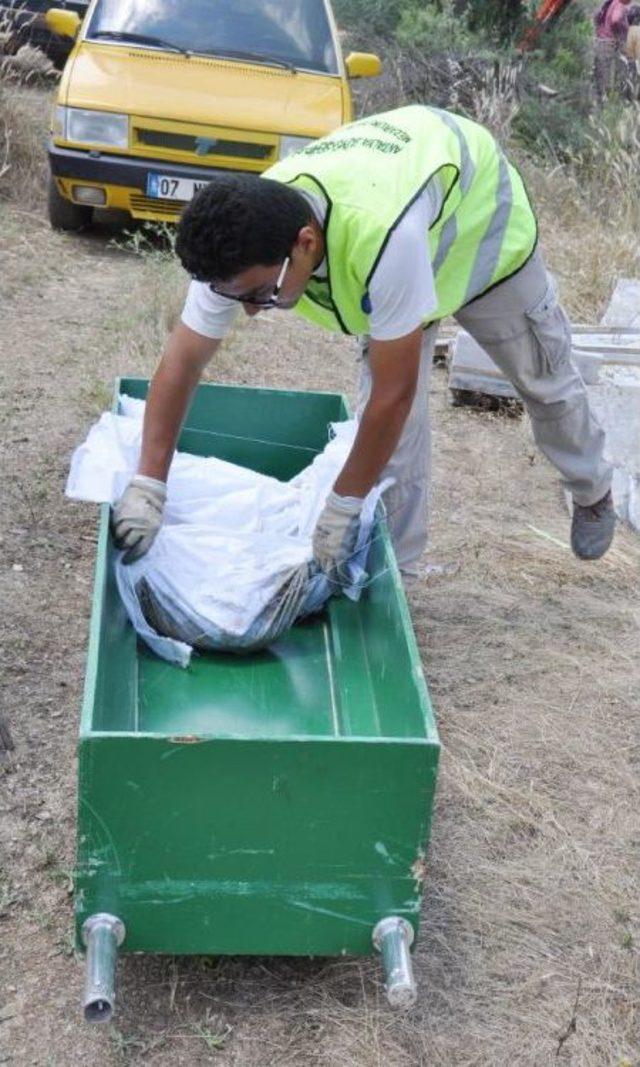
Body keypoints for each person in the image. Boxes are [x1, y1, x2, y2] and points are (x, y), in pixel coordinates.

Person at [112, 105, 615, 581]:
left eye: (263, 294)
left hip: (481, 238)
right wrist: (149, 484)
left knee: (543, 381)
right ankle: (398, 577)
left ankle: (592, 489)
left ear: (305, 244)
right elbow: (182, 363)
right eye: (239, 296)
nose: (248, 309)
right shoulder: (240, 242)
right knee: (393, 444)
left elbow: (391, 397)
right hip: (403, 235)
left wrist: (342, 505)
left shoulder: (381, 238)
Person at [594, 0, 633, 102]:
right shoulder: (619, 5)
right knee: (611, 79)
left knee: (600, 80)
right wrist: (620, 32)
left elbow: (596, 18)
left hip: (601, 42)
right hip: (610, 44)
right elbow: (615, 20)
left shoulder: (610, 3)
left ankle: (599, 108)